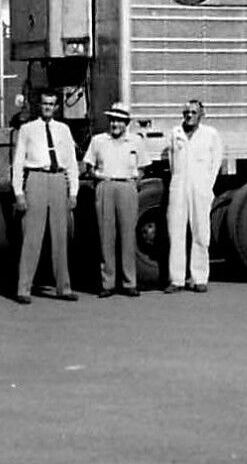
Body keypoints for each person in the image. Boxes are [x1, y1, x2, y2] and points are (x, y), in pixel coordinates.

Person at [9, 92, 79, 305]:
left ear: (57, 107)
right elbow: (19, 162)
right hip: (36, 179)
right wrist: (18, 192)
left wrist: (73, 191)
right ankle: (24, 288)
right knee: (32, 236)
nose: (48, 107)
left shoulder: (64, 130)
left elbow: (72, 162)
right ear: (39, 106)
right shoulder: (27, 129)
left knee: (60, 236)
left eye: (52, 104)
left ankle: (63, 288)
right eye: (45, 103)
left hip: (58, 180)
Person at [83, 102, 149, 298]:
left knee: (128, 236)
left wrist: (134, 182)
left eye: (119, 120)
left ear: (126, 123)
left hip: (127, 187)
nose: (115, 124)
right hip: (105, 185)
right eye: (112, 120)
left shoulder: (136, 141)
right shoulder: (98, 140)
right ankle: (108, 283)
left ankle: (130, 283)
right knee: (106, 236)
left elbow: (143, 166)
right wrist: (99, 177)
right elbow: (88, 165)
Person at [164, 98, 224, 294]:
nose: (189, 116)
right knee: (176, 231)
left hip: (200, 188)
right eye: (186, 113)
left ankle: (199, 278)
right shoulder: (176, 133)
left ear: (201, 115)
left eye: (193, 112)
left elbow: (216, 161)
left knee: (200, 232)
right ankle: (177, 279)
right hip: (179, 186)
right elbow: (173, 162)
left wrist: (207, 185)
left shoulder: (210, 134)